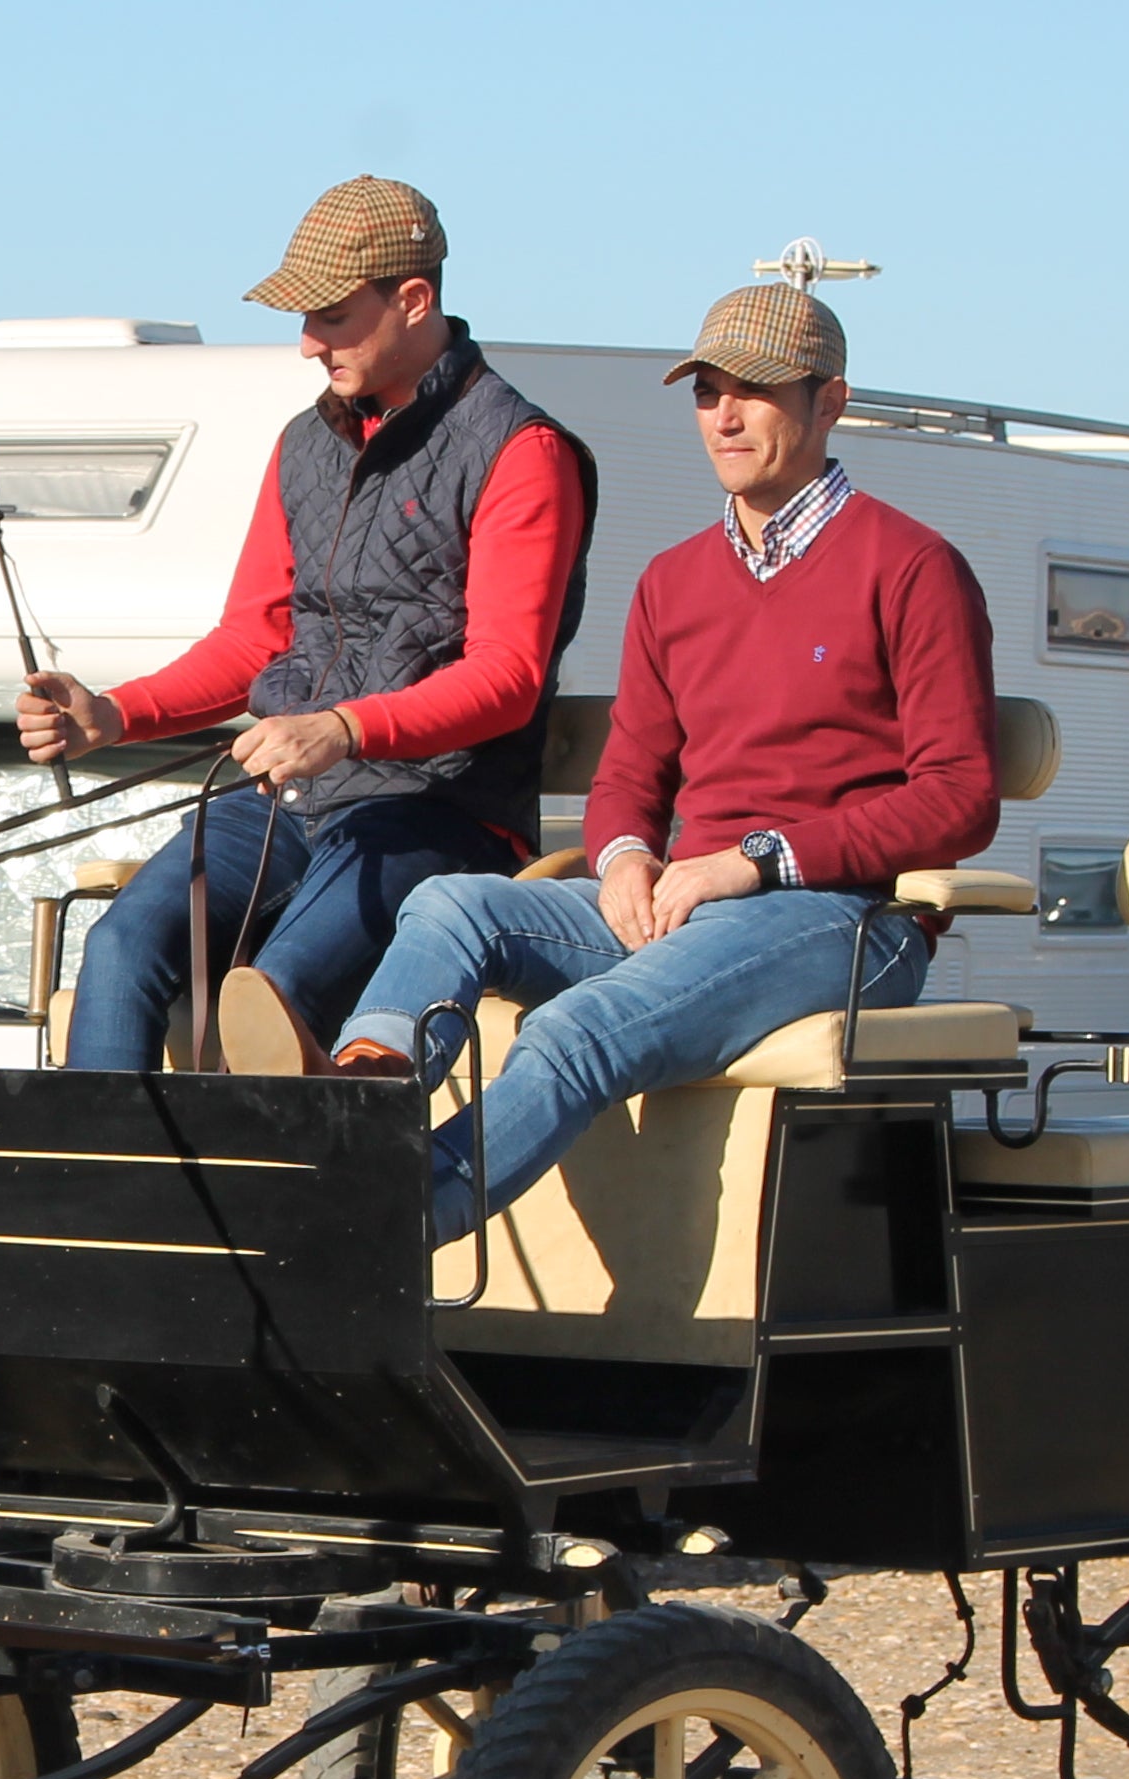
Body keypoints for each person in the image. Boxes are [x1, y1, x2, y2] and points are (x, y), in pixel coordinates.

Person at [329, 278, 1000, 1237]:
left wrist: (752, 860)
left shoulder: (913, 567)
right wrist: (626, 859)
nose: (724, 415)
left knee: (574, 1028)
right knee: (450, 901)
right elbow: (630, 776)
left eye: (756, 390)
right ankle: (362, 1107)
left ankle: (372, 1228)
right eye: (706, 391)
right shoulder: (674, 580)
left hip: (848, 919)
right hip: (690, 901)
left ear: (832, 400)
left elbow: (961, 798)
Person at [16, 175, 595, 1071]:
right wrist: (113, 716)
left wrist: (343, 729)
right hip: (291, 804)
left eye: (330, 316)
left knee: (274, 995)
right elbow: (255, 639)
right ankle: (112, 1201)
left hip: (435, 813)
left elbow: (508, 678)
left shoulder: (523, 452)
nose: (306, 343)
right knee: (118, 948)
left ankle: (281, 1205)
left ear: (414, 299)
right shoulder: (304, 446)